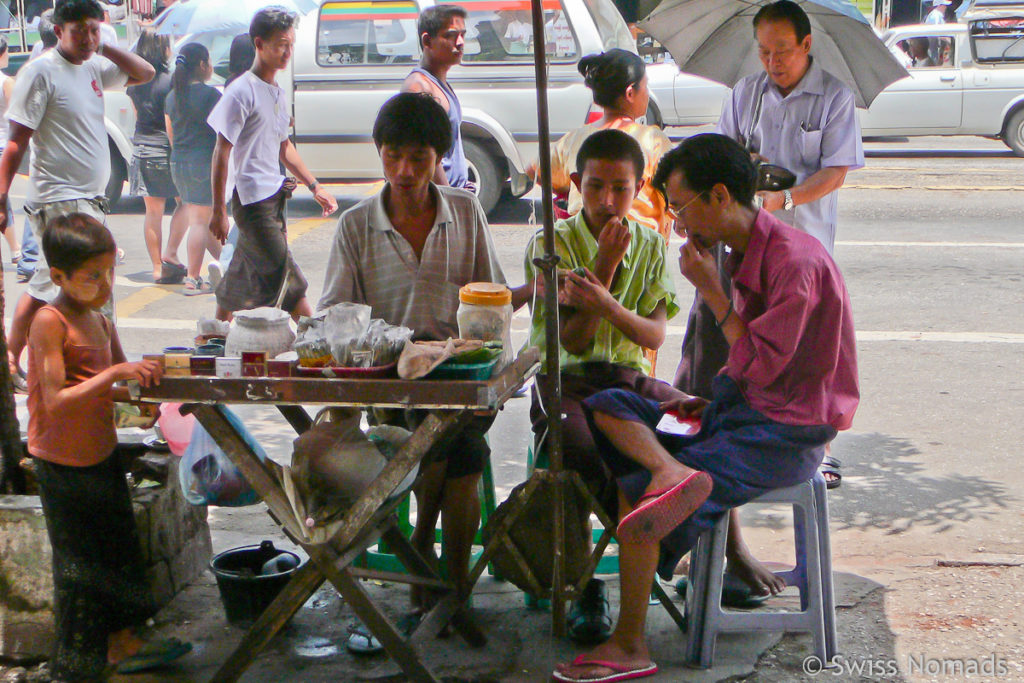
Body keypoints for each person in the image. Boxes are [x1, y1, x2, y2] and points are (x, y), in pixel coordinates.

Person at [551, 133, 859, 683]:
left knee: (643, 503)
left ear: (719, 196)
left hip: (784, 433)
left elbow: (766, 365)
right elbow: (748, 364)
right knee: (610, 404)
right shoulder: (748, 250)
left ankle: (630, 643)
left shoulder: (793, 262)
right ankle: (670, 471)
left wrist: (713, 293)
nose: (676, 221)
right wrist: (712, 395)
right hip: (745, 411)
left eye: (681, 206)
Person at [320, 93, 531, 649]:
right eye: (393, 157)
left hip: (464, 378)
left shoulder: (465, 212)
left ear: (441, 157)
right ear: (380, 155)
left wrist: (475, 350)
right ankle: (450, 589)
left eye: (420, 158)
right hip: (391, 388)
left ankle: (427, 560)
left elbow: (494, 299)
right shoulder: (355, 226)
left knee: (451, 439)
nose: (406, 171)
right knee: (457, 452)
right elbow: (336, 319)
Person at [679, 0, 862, 488]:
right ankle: (726, 423)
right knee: (731, 335)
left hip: (801, 245)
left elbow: (836, 170)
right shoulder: (746, 94)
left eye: (783, 50)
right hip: (743, 239)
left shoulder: (833, 97)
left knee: (802, 352)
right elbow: (718, 159)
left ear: (806, 45)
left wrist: (785, 198)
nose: (773, 61)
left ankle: (810, 449)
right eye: (763, 52)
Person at [523, 128, 681, 643]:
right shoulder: (552, 244)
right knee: (579, 447)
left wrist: (609, 302)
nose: (607, 201)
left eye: (620, 188)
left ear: (641, 188)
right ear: (574, 184)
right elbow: (570, 340)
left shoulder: (654, 244)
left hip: (628, 380)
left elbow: (654, 333)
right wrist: (606, 267)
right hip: (566, 380)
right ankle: (589, 581)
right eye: (595, 187)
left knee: (696, 424)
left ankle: (697, 551)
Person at [27, 212, 190, 679]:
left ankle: (124, 643)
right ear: (58, 276)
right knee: (80, 567)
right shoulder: (49, 321)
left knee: (117, 553)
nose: (105, 285)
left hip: (100, 455)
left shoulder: (99, 320)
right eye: (92, 277)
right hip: (62, 463)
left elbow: (115, 388)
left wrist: (147, 389)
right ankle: (76, 664)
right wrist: (116, 375)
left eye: (110, 273)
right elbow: (56, 398)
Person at [0, 0, 155, 388]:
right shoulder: (40, 73)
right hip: (59, 198)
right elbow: (16, 142)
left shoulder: (92, 66)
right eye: (79, 31)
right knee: (91, 283)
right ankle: (110, 370)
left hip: (90, 198)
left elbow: (145, 71)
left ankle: (12, 356)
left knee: (46, 284)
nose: (87, 38)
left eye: (93, 30)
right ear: (58, 32)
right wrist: (1, 196)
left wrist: (102, 45)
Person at [207, 7, 337, 319]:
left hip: (274, 194)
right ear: (259, 44)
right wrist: (218, 210)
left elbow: (283, 146)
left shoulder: (277, 93)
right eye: (280, 44)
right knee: (287, 275)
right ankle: (311, 337)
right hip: (252, 200)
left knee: (243, 270)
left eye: (291, 44)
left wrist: (314, 185)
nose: (287, 52)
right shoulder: (241, 91)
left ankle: (212, 333)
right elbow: (221, 151)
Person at [547, 49, 673, 241]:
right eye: (646, 86)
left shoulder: (574, 138)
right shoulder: (653, 140)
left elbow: (537, 171)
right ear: (630, 92)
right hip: (637, 250)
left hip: (582, 243)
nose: (607, 200)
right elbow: (674, 193)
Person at [126, 27, 188, 284]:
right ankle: (171, 253)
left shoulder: (134, 81)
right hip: (165, 148)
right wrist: (177, 151)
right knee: (186, 203)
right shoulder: (170, 80)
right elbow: (170, 120)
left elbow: (138, 116)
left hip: (141, 147)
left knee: (153, 213)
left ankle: (156, 268)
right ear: (162, 48)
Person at [165, 41, 222, 294]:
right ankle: (193, 277)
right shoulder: (212, 96)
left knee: (203, 219)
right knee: (200, 222)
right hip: (203, 162)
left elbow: (171, 135)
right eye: (209, 62)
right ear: (202, 65)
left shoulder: (172, 96)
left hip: (178, 162)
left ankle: (228, 264)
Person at [401, 4, 473, 191]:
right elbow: (424, 154)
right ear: (427, 41)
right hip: (438, 201)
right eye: (450, 35)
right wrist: (449, 200)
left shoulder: (440, 83)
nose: (460, 42)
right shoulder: (419, 87)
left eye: (462, 35)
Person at [0, 36, 21, 266]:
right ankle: (16, 249)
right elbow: (16, 116)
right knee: (2, 198)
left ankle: (15, 249)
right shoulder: (6, 82)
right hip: (4, 144)